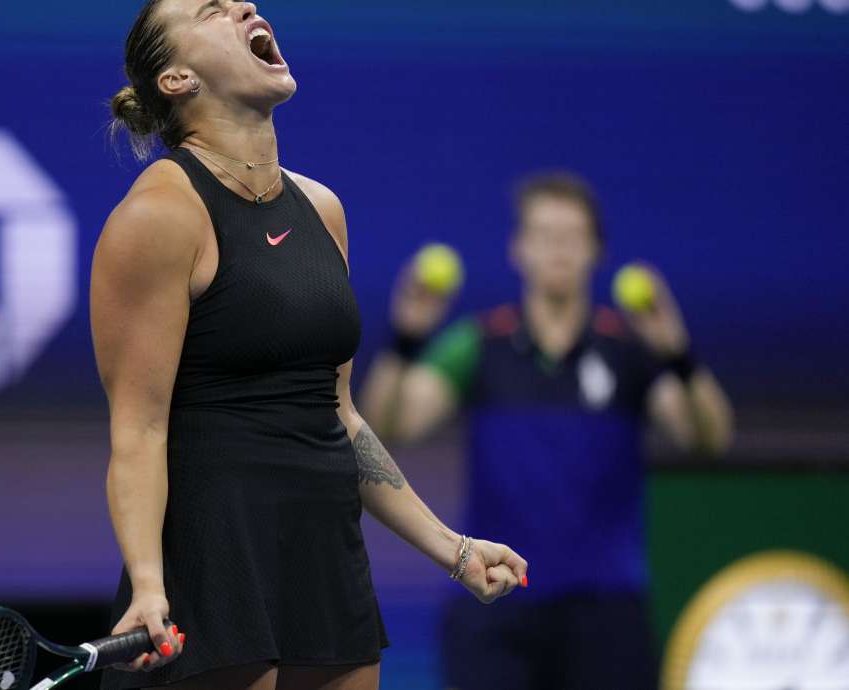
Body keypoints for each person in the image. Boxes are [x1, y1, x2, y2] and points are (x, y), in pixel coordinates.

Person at [90, 2, 530, 689]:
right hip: (214, 557)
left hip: (324, 553)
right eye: (212, 10)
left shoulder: (323, 209)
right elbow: (139, 429)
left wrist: (452, 548)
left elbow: (339, 415)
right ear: (176, 79)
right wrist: (149, 585)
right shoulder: (158, 216)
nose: (245, 6)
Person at [359, 172, 735, 690]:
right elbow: (390, 424)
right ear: (519, 249)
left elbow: (708, 437)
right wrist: (406, 337)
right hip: (495, 599)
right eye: (544, 235)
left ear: (596, 251)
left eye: (572, 236)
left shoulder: (627, 352)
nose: (558, 249)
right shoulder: (477, 345)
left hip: (607, 613)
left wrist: (678, 354)